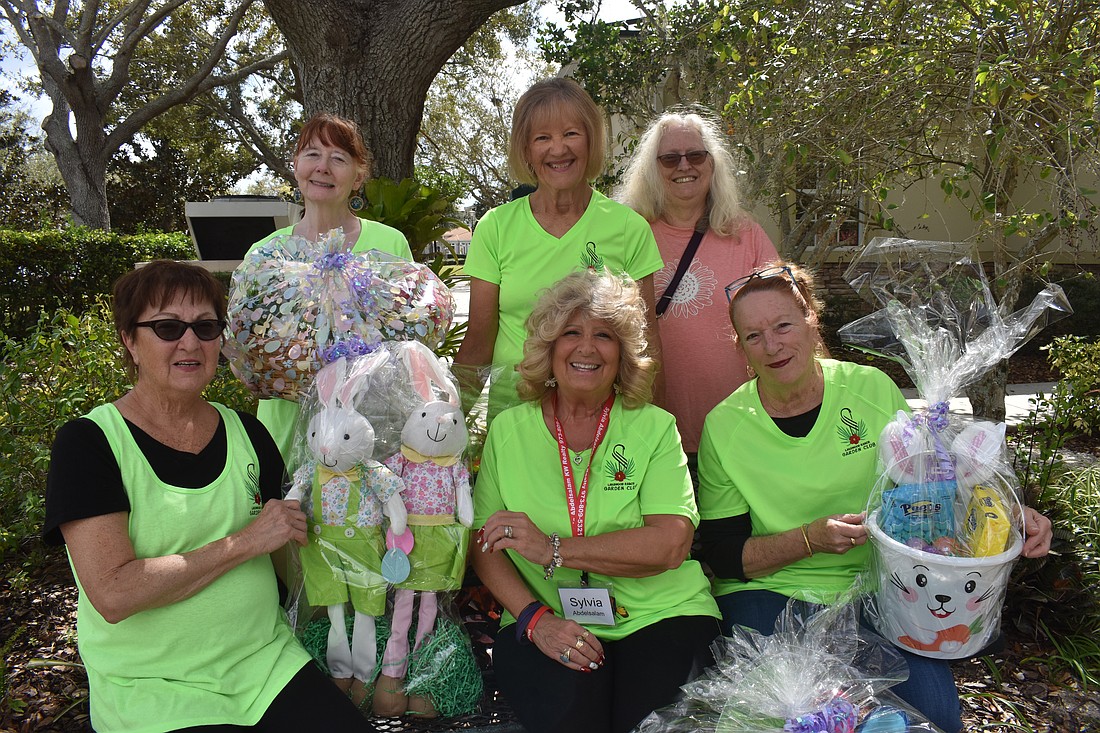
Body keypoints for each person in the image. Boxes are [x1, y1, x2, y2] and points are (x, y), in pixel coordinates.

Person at [696, 261, 1055, 733]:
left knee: (937, 717)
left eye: (783, 325)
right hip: (769, 594)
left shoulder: (869, 388)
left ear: (811, 320)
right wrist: (808, 539)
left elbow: (931, 486)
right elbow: (723, 556)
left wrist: (1009, 513)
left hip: (881, 588)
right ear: (740, 347)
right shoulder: (725, 425)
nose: (772, 345)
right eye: (753, 335)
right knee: (784, 718)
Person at [42, 261, 375, 733]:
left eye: (206, 327)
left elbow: (291, 556)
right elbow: (114, 594)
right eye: (167, 327)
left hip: (265, 666)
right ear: (129, 341)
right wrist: (243, 543)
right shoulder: (91, 444)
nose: (190, 342)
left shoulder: (248, 433)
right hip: (155, 689)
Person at [472, 269, 720, 733]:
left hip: (660, 614)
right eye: (571, 332)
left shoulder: (654, 427)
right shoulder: (508, 430)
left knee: (648, 725)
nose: (586, 348)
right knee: (572, 718)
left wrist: (555, 549)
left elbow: (670, 544)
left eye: (603, 335)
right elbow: (484, 542)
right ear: (548, 347)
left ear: (623, 353)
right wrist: (533, 619)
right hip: (546, 615)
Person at [454, 78, 665, 418]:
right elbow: (478, 341)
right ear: (526, 150)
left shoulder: (628, 228)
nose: (558, 149)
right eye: (542, 138)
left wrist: (653, 435)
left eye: (570, 133)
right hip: (513, 420)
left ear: (591, 141)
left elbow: (647, 345)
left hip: (603, 422)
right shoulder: (495, 227)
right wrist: (445, 429)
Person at [618, 110, 778, 469]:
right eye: (670, 158)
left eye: (696, 155)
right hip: (650, 431)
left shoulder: (744, 234)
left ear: (712, 162)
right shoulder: (629, 233)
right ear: (652, 168)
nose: (684, 166)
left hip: (739, 427)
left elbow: (786, 314)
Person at [249, 113, 414, 460]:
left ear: (358, 176)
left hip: (370, 436)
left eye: (338, 158)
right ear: (296, 165)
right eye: (311, 154)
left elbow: (408, 341)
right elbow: (246, 346)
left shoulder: (389, 245)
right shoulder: (266, 254)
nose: (322, 167)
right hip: (285, 435)